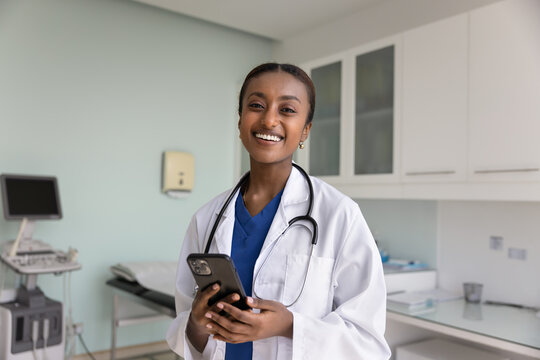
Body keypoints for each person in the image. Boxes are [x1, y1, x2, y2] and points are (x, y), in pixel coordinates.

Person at [166, 63, 391, 360]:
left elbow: (368, 342)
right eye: (256, 105)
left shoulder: (339, 215)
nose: (269, 119)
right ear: (240, 121)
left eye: (287, 110)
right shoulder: (206, 218)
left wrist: (290, 326)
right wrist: (196, 322)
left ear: (305, 130)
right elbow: (186, 326)